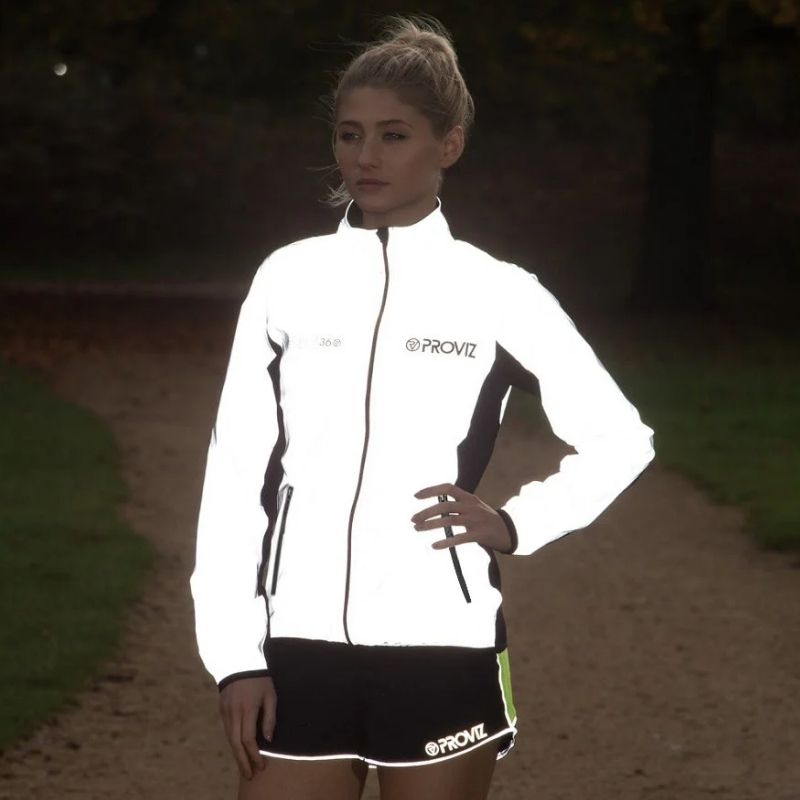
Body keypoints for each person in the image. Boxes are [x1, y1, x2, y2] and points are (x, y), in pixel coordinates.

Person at [190, 14, 655, 800]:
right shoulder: (288, 280)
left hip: (444, 644)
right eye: (349, 135)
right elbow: (235, 476)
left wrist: (517, 522)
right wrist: (235, 656)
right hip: (294, 641)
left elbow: (621, 438)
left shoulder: (499, 292)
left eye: (394, 136)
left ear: (450, 144)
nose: (365, 157)